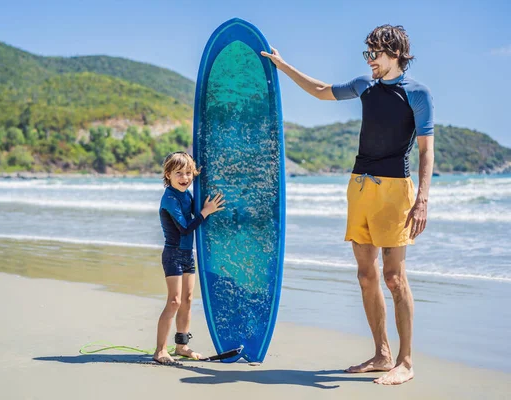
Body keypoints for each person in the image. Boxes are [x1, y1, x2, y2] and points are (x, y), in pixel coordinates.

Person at [262, 24, 434, 385]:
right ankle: (382, 353)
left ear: (396, 54)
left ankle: (405, 361)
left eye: (376, 54)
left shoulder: (418, 94)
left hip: (394, 190)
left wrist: (422, 199)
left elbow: (425, 149)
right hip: (358, 186)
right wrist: (283, 65)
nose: (370, 60)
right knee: (365, 274)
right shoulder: (365, 85)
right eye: (367, 54)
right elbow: (322, 91)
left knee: (394, 277)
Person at [154, 151, 225, 365]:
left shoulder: (186, 194)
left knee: (186, 300)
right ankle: (160, 350)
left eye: (188, 173)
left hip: (188, 254)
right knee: (174, 301)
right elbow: (185, 229)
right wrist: (206, 212)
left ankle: (182, 346)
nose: (185, 178)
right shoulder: (169, 198)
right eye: (179, 173)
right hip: (173, 254)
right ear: (168, 175)